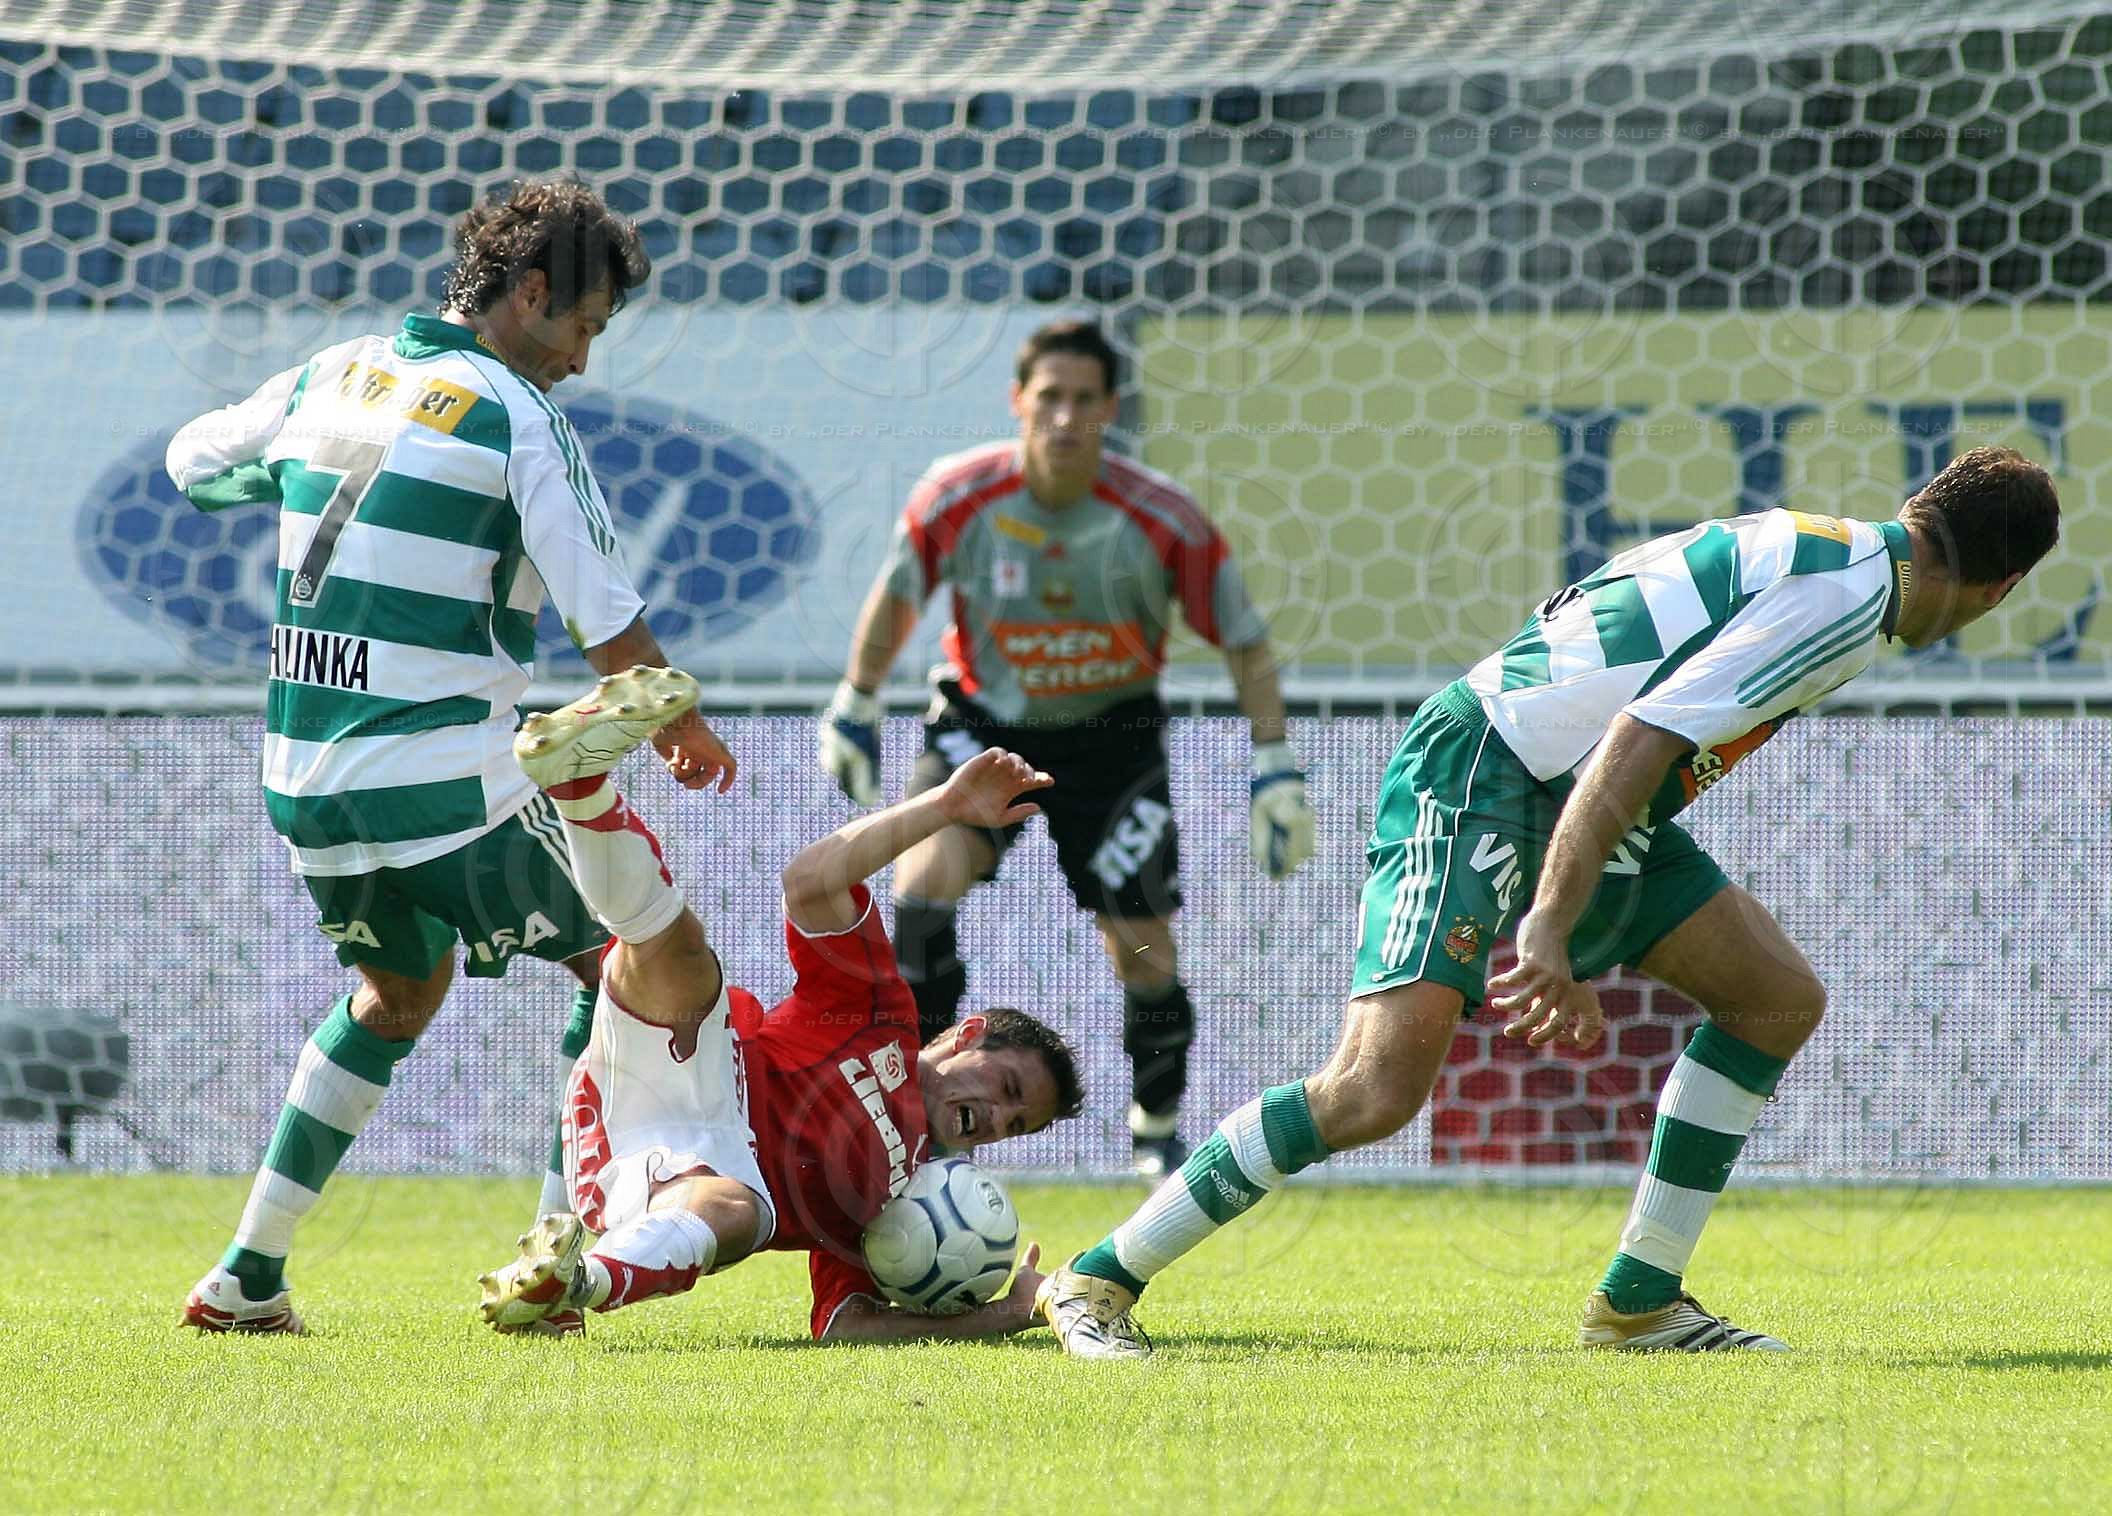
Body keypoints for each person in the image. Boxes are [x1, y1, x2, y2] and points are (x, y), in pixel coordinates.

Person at [1035, 446, 2062, 1357]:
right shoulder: (1844, 602)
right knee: (1374, 1088)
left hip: (1580, 789)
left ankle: (1640, 1302)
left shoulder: (1831, 547)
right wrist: (1551, 929)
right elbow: (1639, 740)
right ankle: (1097, 1278)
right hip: (1489, 770)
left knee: (1773, 997)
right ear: (2001, 587)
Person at [168, 179, 735, 1333]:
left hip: (305, 781)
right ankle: (552, 1261)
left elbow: (192, 463)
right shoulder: (516, 416)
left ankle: (246, 1275)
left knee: (397, 991)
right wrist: (678, 718)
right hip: (443, 777)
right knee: (627, 962)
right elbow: (602, 614)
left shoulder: (329, 375)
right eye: (582, 325)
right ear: (529, 293)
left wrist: (284, 473)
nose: (581, 359)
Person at [817, 320, 1314, 1179]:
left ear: (1110, 408)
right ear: (1018, 400)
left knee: (1143, 949)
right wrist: (856, 701)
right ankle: (919, 1108)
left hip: (1112, 742)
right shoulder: (956, 497)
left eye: (1085, 399)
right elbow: (898, 596)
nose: (1065, 416)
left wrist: (1274, 765)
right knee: (922, 890)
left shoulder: (1163, 518)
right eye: (1049, 396)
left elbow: (1244, 639)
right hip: (984, 730)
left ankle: (1156, 1128)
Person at [478, 666, 1086, 1341]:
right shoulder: (881, 1014)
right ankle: (579, 786)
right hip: (699, 1066)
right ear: (964, 1035)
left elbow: (843, 1324)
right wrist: (941, 807)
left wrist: (1005, 1314)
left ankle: (572, 1285)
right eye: (1007, 1088)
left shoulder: (908, 1198)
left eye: (1015, 1125)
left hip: (678, 1178)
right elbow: (811, 883)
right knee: (683, 953)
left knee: (736, 1211)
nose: (996, 1120)